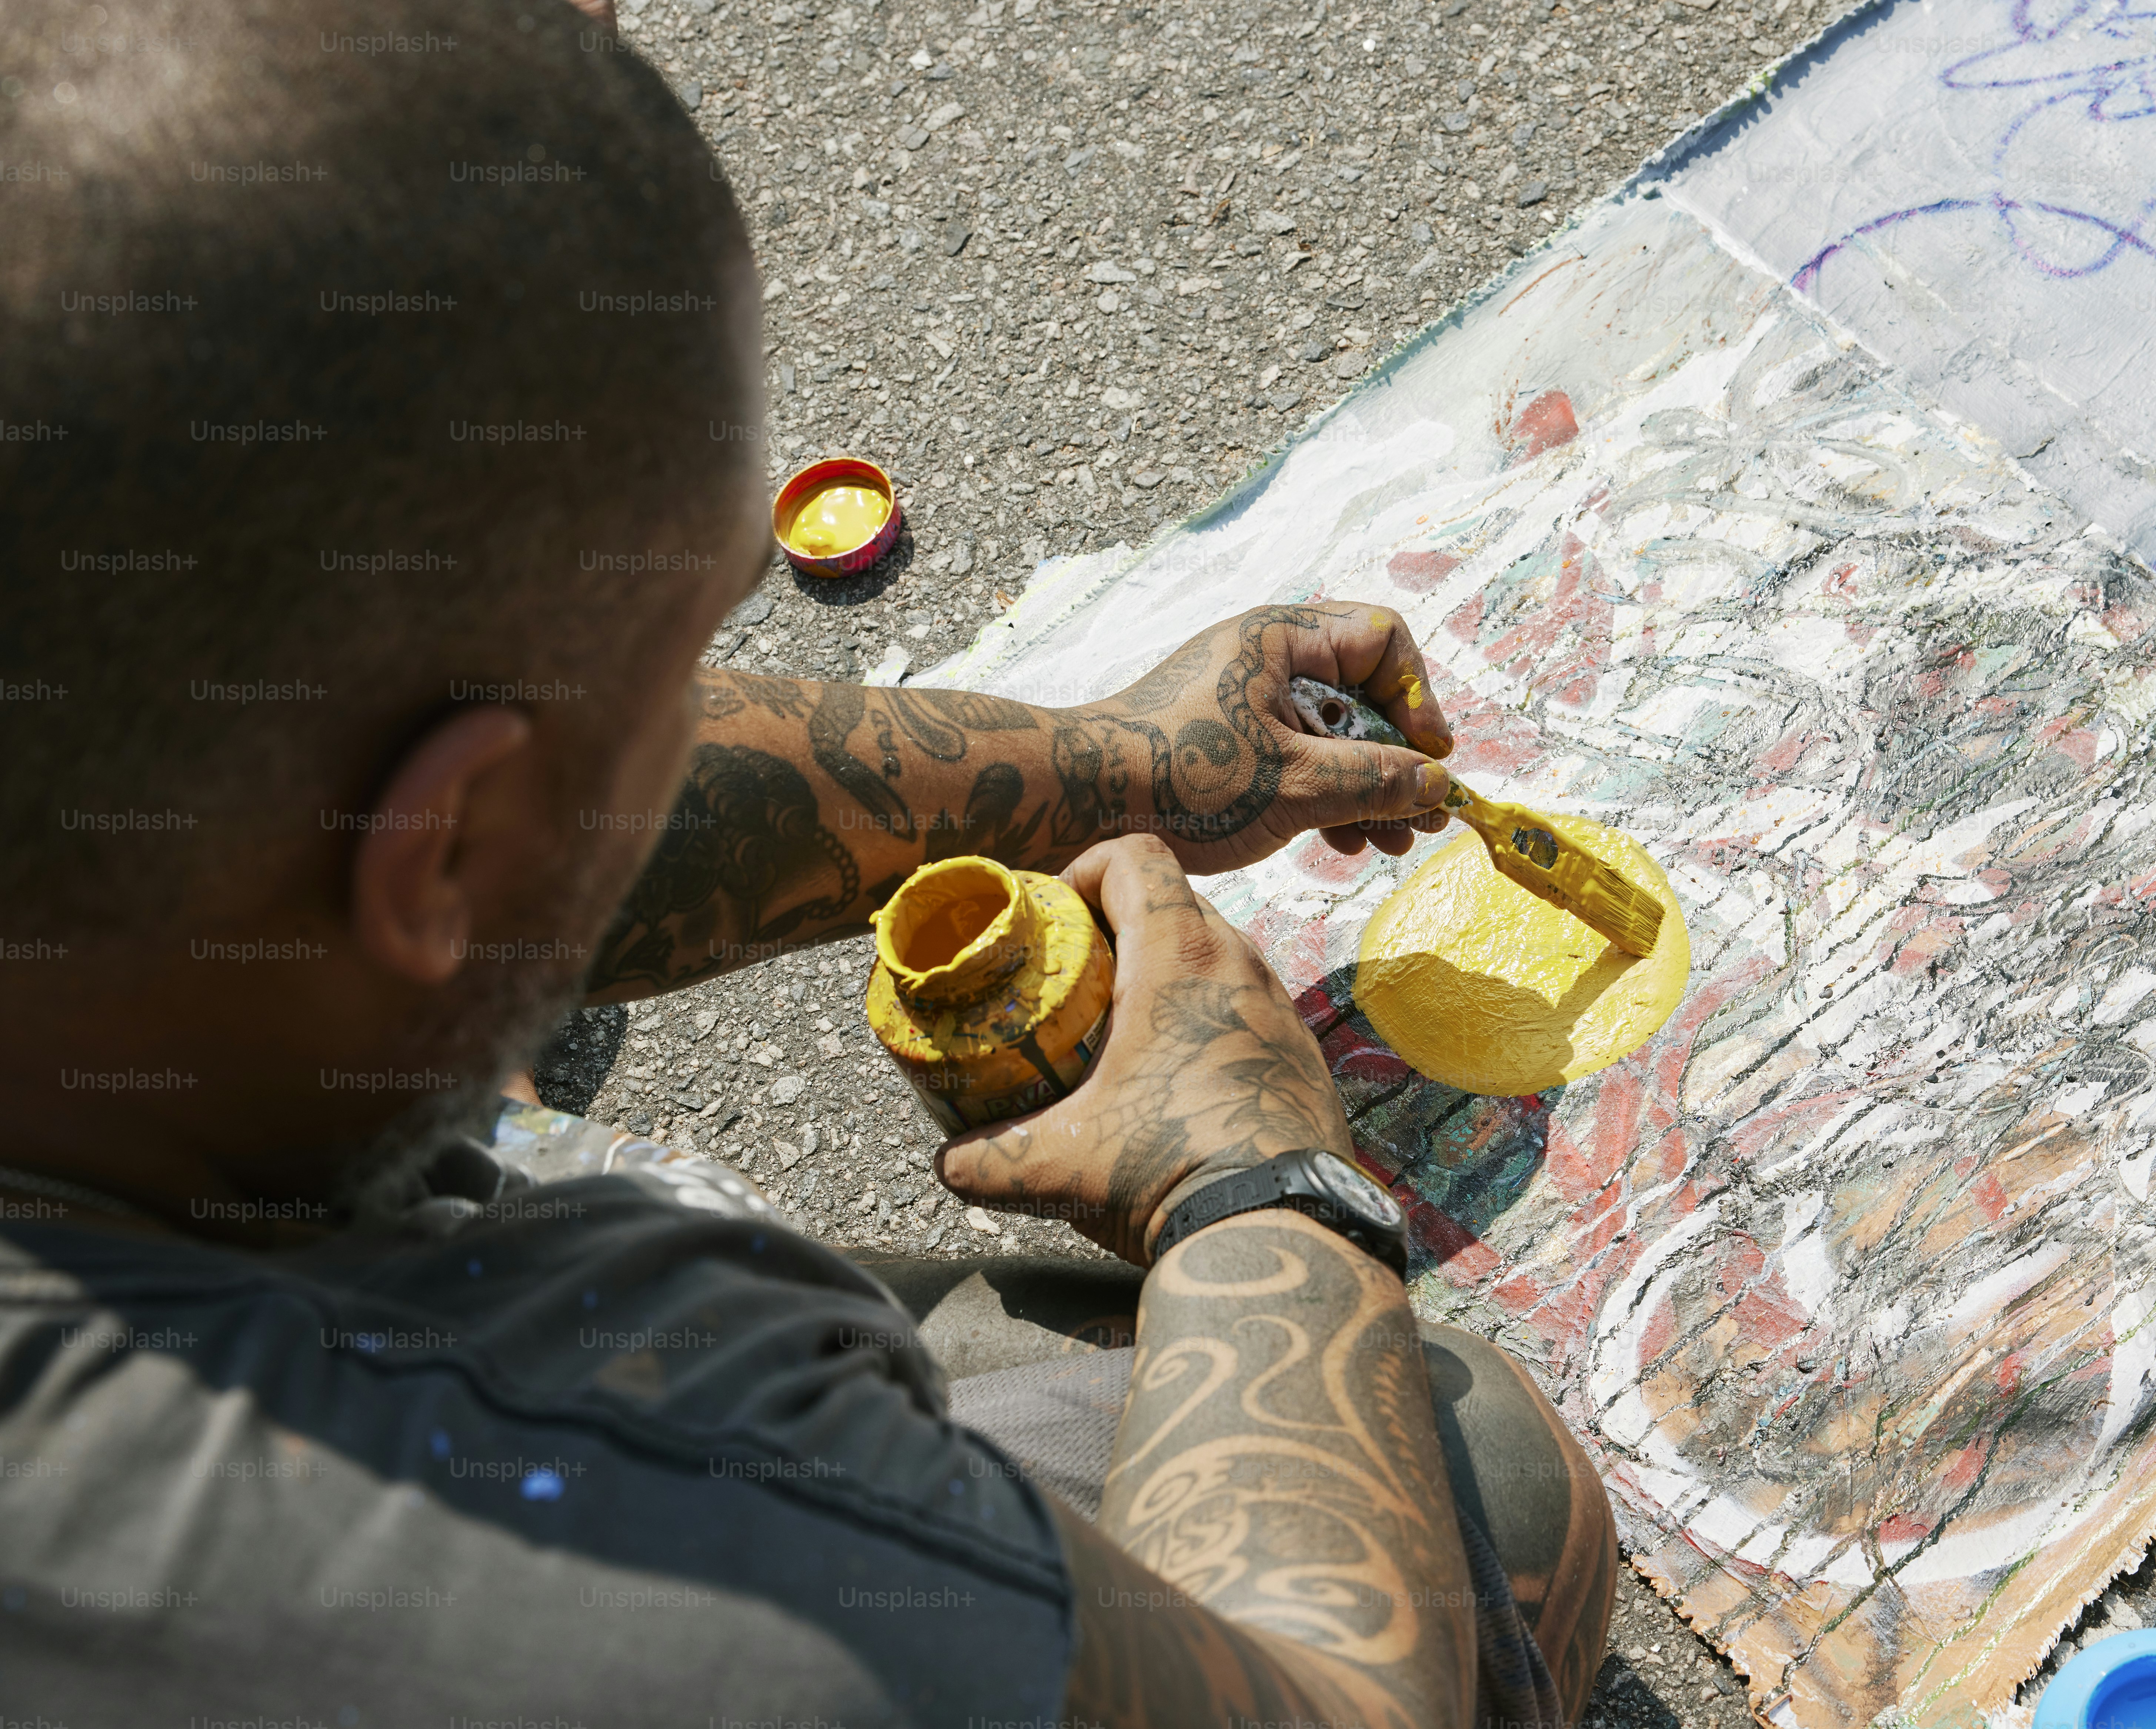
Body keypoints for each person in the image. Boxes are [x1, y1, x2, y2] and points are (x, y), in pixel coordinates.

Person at [0, 1, 1620, 1724]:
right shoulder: (576, 1525)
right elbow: (1340, 1710)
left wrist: (1119, 769)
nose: (695, 697)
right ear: (442, 850)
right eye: (681, 645)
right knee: (1479, 1487)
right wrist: (1254, 1186)